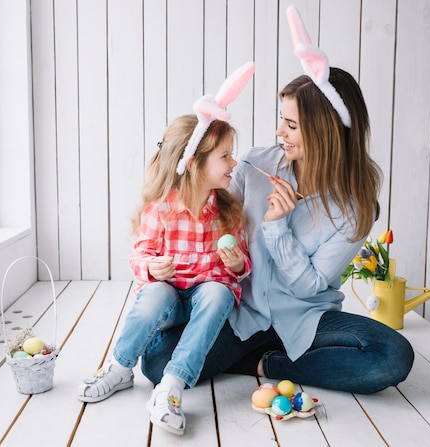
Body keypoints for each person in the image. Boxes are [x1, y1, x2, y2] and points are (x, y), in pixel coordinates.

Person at [140, 6, 414, 395]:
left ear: (324, 133)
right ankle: (271, 359)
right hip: (241, 316)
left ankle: (267, 364)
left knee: (391, 355)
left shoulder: (355, 208)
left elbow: (308, 288)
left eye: (291, 124)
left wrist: (276, 228)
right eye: (280, 119)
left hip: (305, 318)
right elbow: (212, 223)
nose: (278, 132)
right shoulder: (255, 163)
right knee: (156, 362)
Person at [77, 63, 255, 435]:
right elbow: (138, 257)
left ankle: (171, 386)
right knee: (156, 293)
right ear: (193, 163)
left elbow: (235, 272)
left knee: (220, 294)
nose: (233, 163)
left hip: (205, 298)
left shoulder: (227, 212)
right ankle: (120, 368)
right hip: (171, 302)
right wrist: (152, 268)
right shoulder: (161, 209)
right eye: (224, 156)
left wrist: (238, 264)